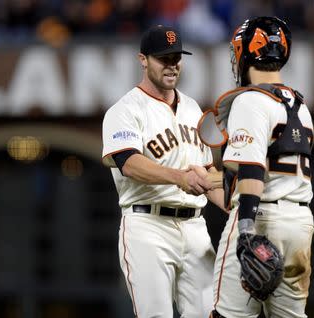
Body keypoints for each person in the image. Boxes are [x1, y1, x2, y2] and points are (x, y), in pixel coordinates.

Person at [102, 25, 223, 318]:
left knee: (209, 314)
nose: (172, 65)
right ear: (143, 59)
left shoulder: (193, 109)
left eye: (176, 57)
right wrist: (181, 178)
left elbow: (207, 174)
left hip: (195, 227)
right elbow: (128, 163)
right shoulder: (125, 110)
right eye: (163, 58)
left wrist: (242, 213)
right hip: (148, 226)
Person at [198, 16, 314, 318]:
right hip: (300, 223)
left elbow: (252, 171)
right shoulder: (300, 106)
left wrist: (246, 229)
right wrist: (208, 180)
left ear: (244, 52)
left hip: (260, 219)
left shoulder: (250, 101)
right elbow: (269, 168)